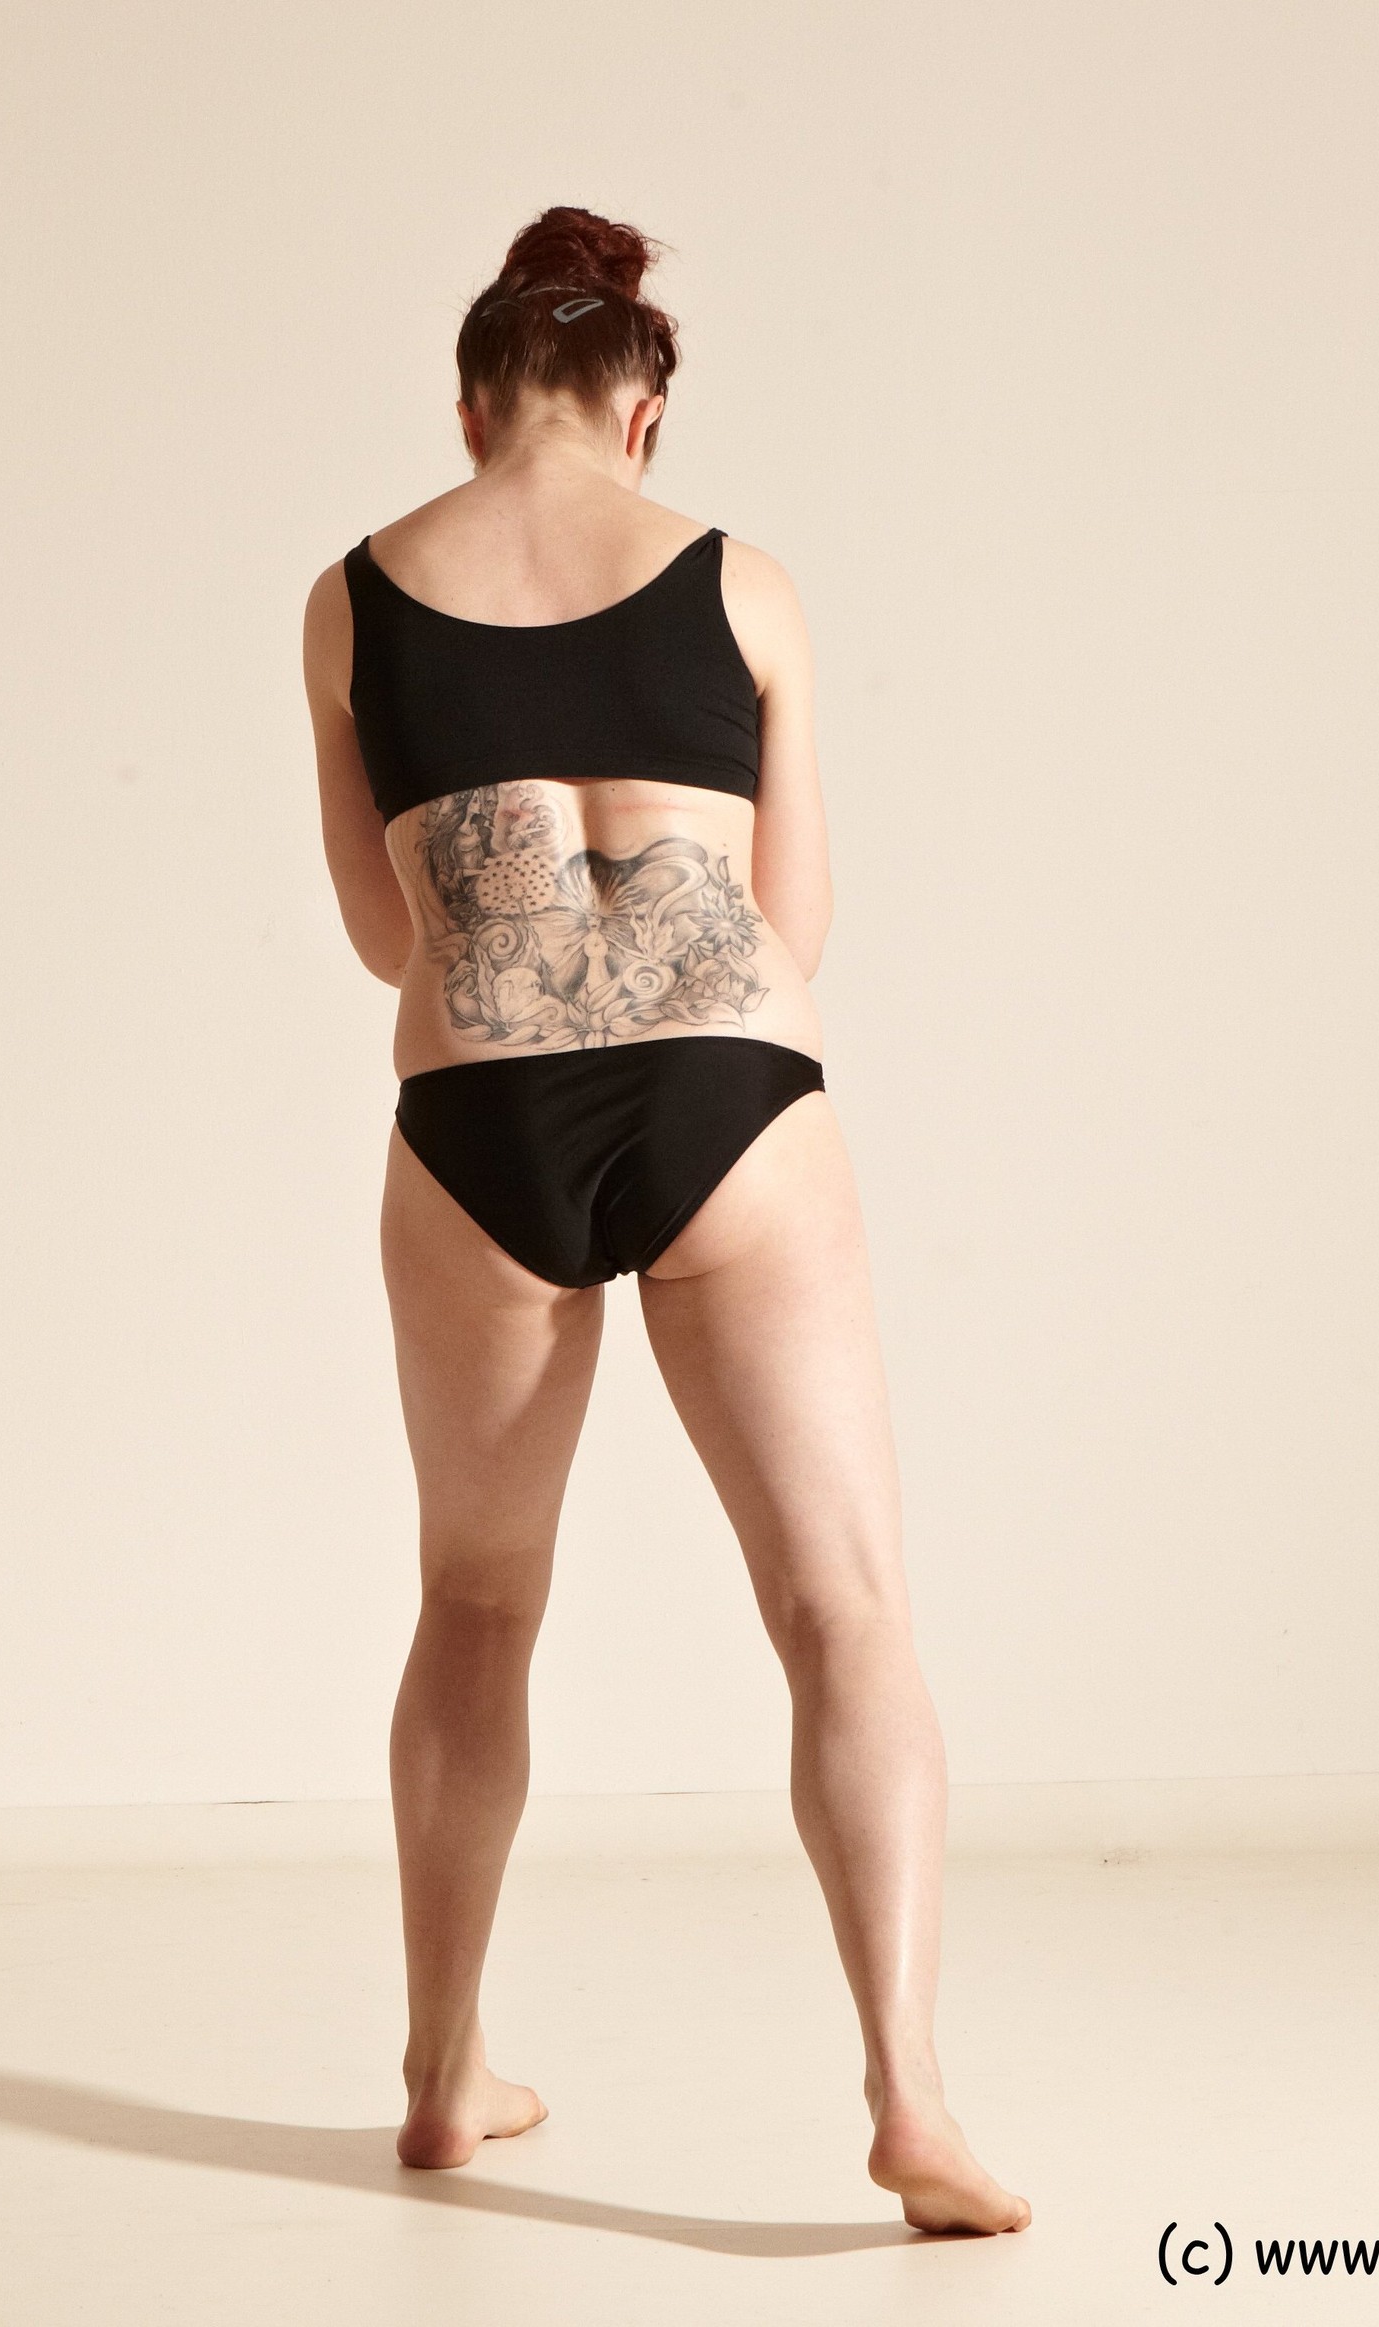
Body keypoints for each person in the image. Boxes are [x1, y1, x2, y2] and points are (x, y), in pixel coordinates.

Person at [301, 204, 1030, 2237]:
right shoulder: (741, 580)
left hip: (479, 1110)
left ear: (471, 406)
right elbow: (796, 921)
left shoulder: (352, 597)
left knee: (473, 1605)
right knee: (843, 1609)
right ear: (644, 409)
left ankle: (442, 2074)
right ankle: (910, 2099)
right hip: (726, 1094)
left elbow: (382, 934)